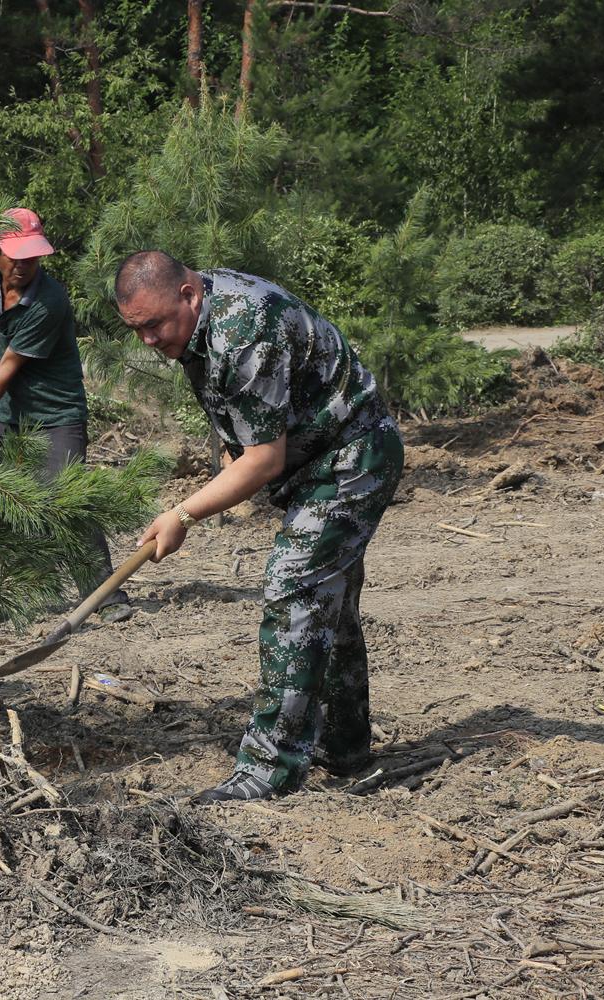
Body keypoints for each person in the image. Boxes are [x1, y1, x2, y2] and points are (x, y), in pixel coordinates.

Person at [114, 250, 403, 803]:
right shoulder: (195, 325)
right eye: (136, 330)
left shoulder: (246, 328)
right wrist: (219, 480)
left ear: (188, 294)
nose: (148, 341)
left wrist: (183, 514)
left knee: (293, 592)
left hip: (352, 458)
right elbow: (240, 427)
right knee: (328, 606)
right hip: (318, 459)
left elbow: (263, 459)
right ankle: (345, 749)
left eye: (153, 325)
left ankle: (269, 771)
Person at [0, 207, 133, 624]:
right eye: (14, 256)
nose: (23, 265)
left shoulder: (49, 301)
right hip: (11, 412)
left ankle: (104, 596)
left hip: (57, 412)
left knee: (66, 500)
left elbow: (5, 369)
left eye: (32, 256)